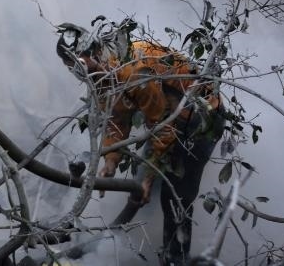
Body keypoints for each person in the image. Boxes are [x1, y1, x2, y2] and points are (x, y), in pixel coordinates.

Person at [56, 20, 225, 266]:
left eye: (77, 62)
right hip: (167, 118)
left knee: (175, 194)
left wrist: (147, 177)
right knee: (144, 183)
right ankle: (138, 237)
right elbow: (116, 120)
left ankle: (176, 258)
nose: (74, 70)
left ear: (94, 51)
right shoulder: (102, 75)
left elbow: (164, 126)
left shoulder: (133, 69)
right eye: (68, 65)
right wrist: (111, 161)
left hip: (201, 118)